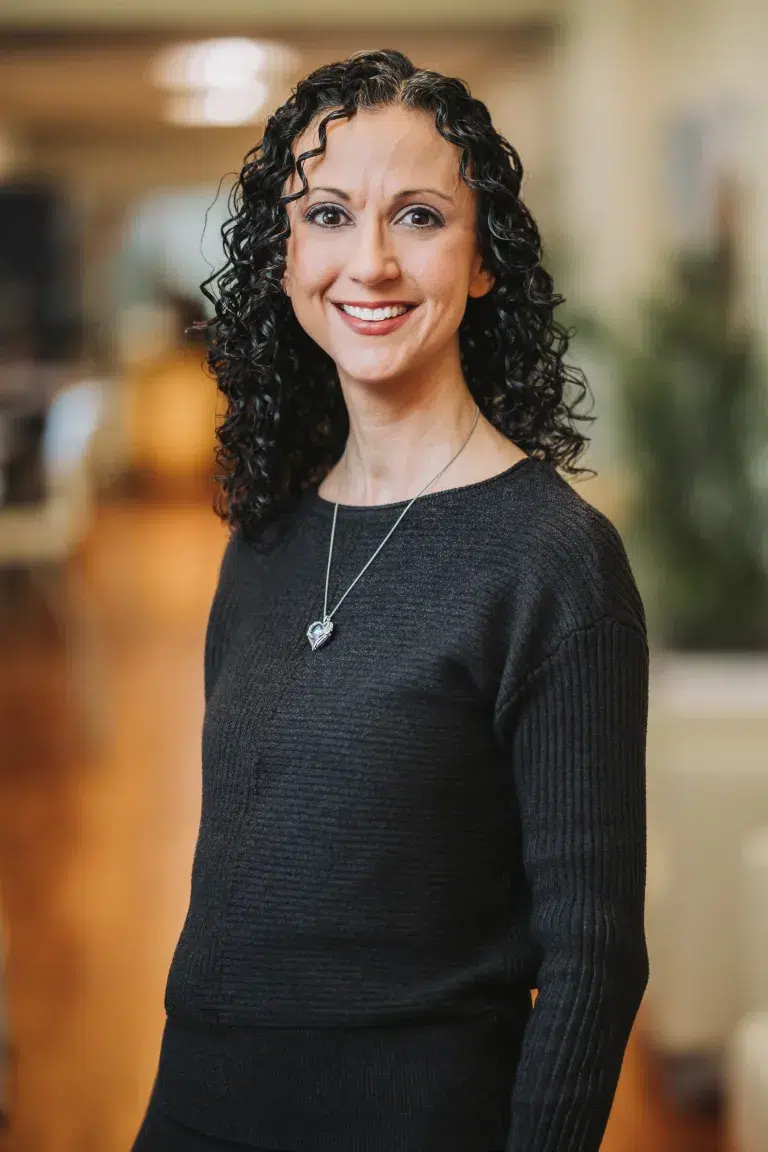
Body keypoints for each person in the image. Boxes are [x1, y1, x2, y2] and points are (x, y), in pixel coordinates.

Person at [131, 48, 650, 1152]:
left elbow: (596, 954)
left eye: (418, 216)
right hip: (193, 1110)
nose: (367, 263)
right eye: (327, 215)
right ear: (283, 257)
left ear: (484, 263)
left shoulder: (555, 560)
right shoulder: (267, 537)